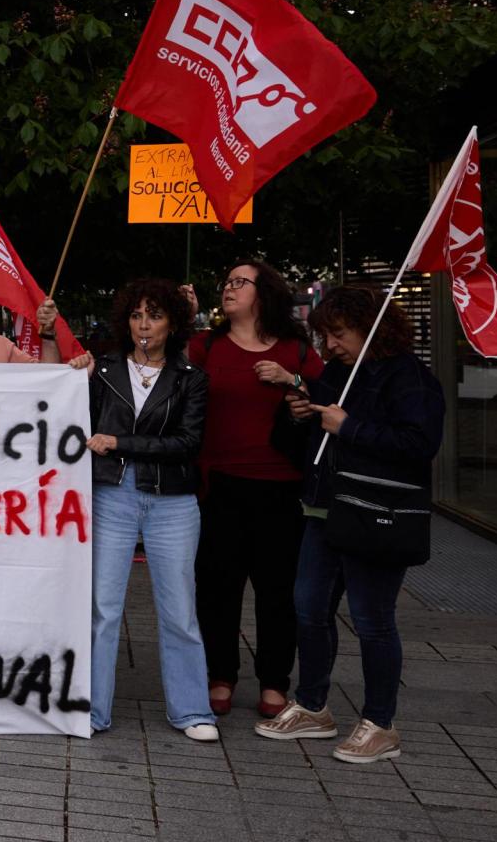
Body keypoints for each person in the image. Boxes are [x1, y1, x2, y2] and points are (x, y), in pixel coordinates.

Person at [256, 287, 443, 763]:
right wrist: (301, 410)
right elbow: (319, 427)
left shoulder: (411, 378)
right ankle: (314, 706)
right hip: (324, 511)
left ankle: (381, 724)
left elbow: (419, 445)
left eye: (338, 334)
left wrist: (349, 425)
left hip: (376, 517)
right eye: (326, 336)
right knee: (309, 609)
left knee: (372, 620)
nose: (330, 345)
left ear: (371, 329)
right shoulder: (339, 371)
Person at [82, 279, 219, 742]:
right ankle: (92, 709)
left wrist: (120, 444)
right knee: (102, 608)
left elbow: (187, 444)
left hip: (174, 502)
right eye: (137, 315)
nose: (144, 325)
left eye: (155, 315)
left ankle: (192, 709)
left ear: (173, 324)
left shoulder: (190, 377)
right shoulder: (101, 372)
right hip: (111, 497)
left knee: (179, 609)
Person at [189, 260, 325, 718]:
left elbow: (333, 400)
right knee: (217, 589)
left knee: (277, 591)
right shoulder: (206, 345)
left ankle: (274, 682)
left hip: (281, 488)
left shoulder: (296, 350)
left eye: (239, 283)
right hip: (219, 486)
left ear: (263, 293)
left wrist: (294, 381)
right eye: (225, 282)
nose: (228, 289)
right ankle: (219, 675)